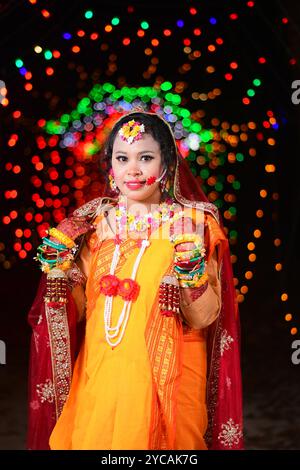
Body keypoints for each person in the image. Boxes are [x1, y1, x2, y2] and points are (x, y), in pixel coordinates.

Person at [27, 111, 243, 450]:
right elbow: (79, 313)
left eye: (146, 157)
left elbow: (206, 316)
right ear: (110, 166)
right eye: (122, 158)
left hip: (173, 378)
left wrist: (187, 258)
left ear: (167, 164)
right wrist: (60, 273)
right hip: (100, 374)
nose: (134, 170)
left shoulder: (192, 225)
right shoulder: (94, 225)